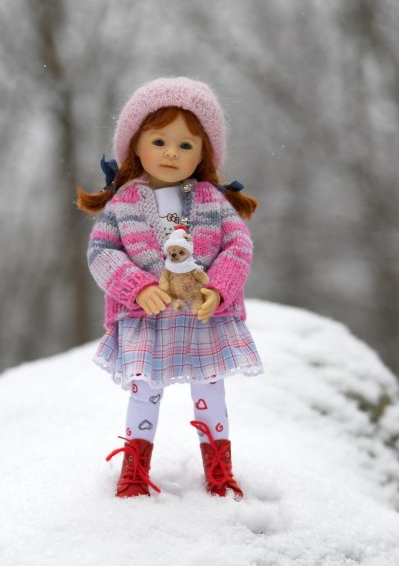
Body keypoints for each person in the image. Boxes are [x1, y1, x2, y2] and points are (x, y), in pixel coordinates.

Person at [77, 77, 262, 500]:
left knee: (210, 391)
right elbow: (101, 253)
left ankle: (219, 469)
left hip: (203, 316)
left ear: (203, 153)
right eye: (159, 141)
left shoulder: (213, 201)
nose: (171, 154)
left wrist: (219, 289)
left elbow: (238, 245)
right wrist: (137, 287)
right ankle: (134, 470)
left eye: (185, 145)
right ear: (135, 146)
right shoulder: (122, 204)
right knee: (145, 393)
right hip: (148, 318)